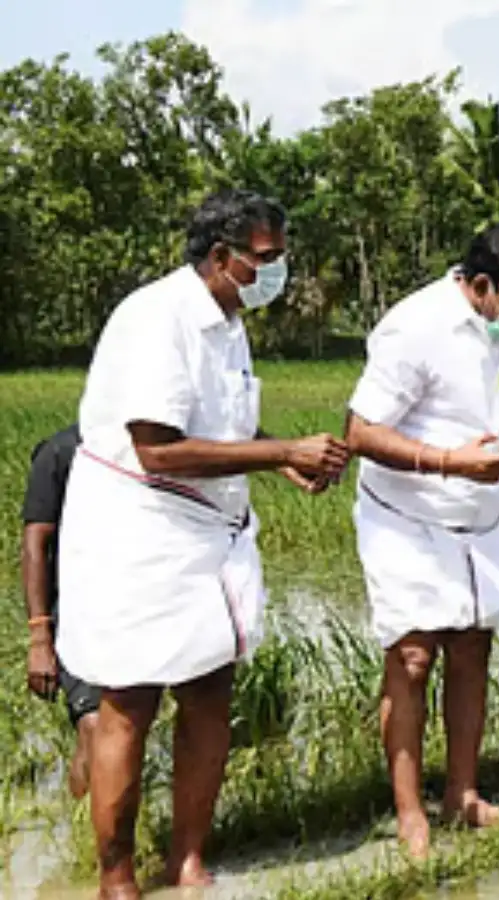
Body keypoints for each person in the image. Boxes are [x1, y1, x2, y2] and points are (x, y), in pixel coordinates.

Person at [55, 189, 350, 899]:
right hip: (142, 533)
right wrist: (282, 447)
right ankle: (116, 874)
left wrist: (281, 461)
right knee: (129, 701)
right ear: (222, 258)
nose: (276, 272)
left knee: (210, 690)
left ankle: (186, 858)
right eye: (266, 259)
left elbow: (218, 429)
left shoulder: (228, 319)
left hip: (205, 537)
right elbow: (157, 449)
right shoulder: (158, 319)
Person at [344, 222, 499, 859]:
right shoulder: (415, 326)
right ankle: (410, 810)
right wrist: (448, 462)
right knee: (414, 658)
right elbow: (360, 430)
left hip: (484, 520)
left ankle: (463, 794)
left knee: (473, 649)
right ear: (479, 285)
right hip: (408, 515)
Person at [20, 423, 101, 799]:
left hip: (143, 607)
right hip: (78, 613)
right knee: (94, 724)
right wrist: (40, 636)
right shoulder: (61, 451)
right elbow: (35, 543)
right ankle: (93, 842)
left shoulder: (156, 451)